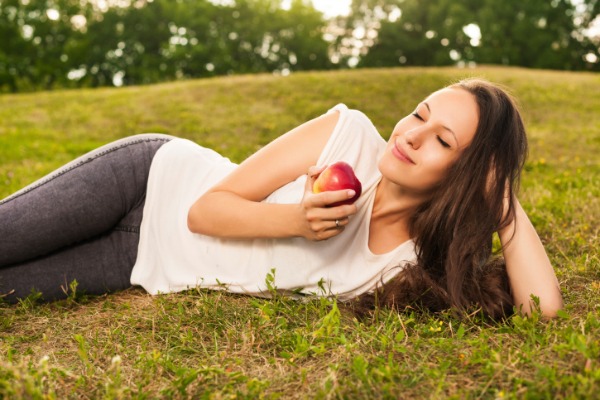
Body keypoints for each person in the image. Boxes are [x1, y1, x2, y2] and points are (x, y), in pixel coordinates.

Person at [0, 78, 563, 320]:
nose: (411, 135)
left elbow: (542, 312)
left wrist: (504, 201)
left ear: (466, 175)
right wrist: (295, 220)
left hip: (140, 263)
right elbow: (204, 211)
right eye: (419, 113)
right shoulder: (349, 135)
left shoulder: (409, 265)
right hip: (148, 181)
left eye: (442, 140)